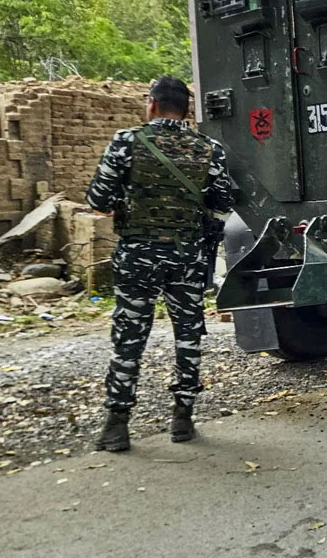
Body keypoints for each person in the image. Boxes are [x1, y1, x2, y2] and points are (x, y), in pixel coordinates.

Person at [87, 76, 235, 452]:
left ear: (151, 104)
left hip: (137, 256)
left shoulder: (126, 142)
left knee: (129, 338)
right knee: (188, 335)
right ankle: (183, 419)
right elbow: (222, 202)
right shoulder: (209, 148)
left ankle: (117, 425)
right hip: (186, 257)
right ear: (187, 110)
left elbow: (98, 200)